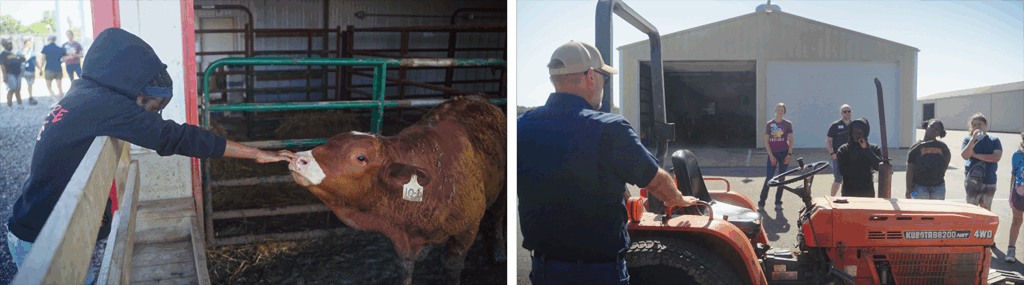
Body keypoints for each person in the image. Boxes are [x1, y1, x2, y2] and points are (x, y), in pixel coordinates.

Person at [6, 28, 296, 284]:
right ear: (133, 87)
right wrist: (256, 153)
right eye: (151, 107)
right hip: (44, 238)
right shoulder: (106, 105)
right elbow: (177, 136)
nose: (149, 116)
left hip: (47, 221)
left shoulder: (85, 93)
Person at [517, 41, 698, 285]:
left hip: (544, 268)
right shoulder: (609, 128)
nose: (603, 84)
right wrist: (676, 198)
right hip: (599, 272)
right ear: (591, 77)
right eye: (604, 77)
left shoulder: (522, 126)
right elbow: (656, 181)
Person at [960, 113, 1002, 211]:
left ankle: (984, 227)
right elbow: (965, 156)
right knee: (971, 210)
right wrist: (973, 139)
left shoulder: (994, 140)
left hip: (989, 181)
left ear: (986, 124)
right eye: (974, 125)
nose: (977, 127)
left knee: (986, 210)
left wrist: (975, 155)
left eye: (980, 124)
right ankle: (971, 227)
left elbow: (996, 157)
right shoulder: (968, 140)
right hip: (972, 181)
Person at [835, 118, 884, 198]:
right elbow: (842, 171)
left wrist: (866, 149)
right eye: (854, 133)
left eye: (859, 133)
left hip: (867, 192)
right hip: (849, 192)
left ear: (865, 133)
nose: (856, 136)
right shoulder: (843, 149)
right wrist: (866, 168)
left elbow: (879, 166)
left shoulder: (873, 148)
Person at [758, 103, 793, 211]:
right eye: (778, 109)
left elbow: (791, 140)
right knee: (769, 179)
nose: (780, 111)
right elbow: (767, 141)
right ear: (775, 110)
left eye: (782, 110)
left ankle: (778, 203)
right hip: (773, 154)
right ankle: (761, 203)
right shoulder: (770, 124)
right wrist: (771, 156)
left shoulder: (787, 124)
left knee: (781, 179)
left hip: (784, 154)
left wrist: (789, 154)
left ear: (784, 112)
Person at [905, 119, 951, 200]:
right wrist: (909, 188)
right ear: (926, 127)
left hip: (938, 186)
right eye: (931, 126)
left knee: (936, 211)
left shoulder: (942, 146)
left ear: (939, 133)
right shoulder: (916, 147)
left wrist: (943, 171)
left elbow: (948, 157)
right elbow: (910, 168)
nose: (933, 130)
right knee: (921, 211)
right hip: (919, 187)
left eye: (936, 129)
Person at [1005, 132, 1024, 263]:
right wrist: (1010, 193)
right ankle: (1011, 249)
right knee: (1017, 220)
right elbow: (1013, 174)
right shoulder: (1017, 155)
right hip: (1019, 193)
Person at [826, 104, 852, 196]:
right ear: (841, 113)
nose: (847, 113)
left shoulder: (854, 126)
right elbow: (828, 141)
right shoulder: (835, 125)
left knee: (851, 179)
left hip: (851, 157)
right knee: (838, 179)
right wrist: (832, 153)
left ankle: (848, 199)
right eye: (845, 111)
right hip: (838, 157)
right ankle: (832, 199)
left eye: (849, 111)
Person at [40, 35, 66, 106]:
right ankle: (61, 101)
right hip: (58, 69)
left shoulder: (45, 48)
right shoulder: (60, 49)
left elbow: (43, 59)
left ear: (49, 40)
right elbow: (64, 59)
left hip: (49, 69)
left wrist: (40, 68)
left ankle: (55, 100)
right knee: (59, 87)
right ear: (55, 40)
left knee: (49, 86)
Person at [2, 38, 26, 107]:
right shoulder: (3, 54)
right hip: (10, 74)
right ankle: (9, 105)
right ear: (5, 45)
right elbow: (2, 66)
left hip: (18, 73)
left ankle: (20, 104)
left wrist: (20, 57)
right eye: (9, 44)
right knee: (12, 89)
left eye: (11, 44)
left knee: (18, 89)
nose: (11, 45)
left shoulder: (12, 53)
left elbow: (20, 60)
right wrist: (5, 76)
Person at [19, 39, 39, 105]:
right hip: (25, 70)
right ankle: (27, 98)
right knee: (27, 84)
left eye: (31, 43)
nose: (30, 45)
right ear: (25, 44)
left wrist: (40, 69)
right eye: (28, 44)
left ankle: (30, 97)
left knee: (30, 84)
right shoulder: (21, 51)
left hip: (32, 70)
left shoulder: (32, 52)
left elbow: (35, 61)